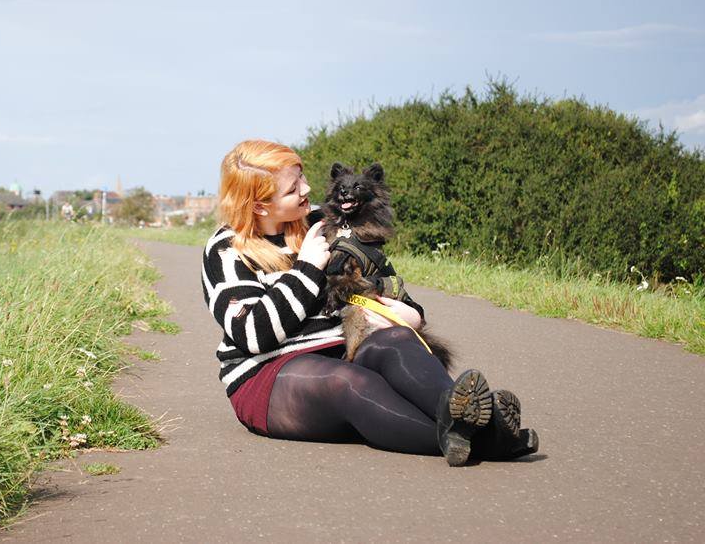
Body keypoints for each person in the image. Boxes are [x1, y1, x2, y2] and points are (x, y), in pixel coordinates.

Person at [201, 139, 539, 465]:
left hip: (345, 347)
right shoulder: (227, 249)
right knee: (348, 382)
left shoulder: (329, 221)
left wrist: (411, 313)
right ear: (260, 205)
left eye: (301, 176)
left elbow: (384, 278)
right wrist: (305, 269)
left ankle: (464, 415)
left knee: (397, 339)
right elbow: (252, 335)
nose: (305, 189)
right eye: (291, 190)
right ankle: (491, 439)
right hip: (269, 374)